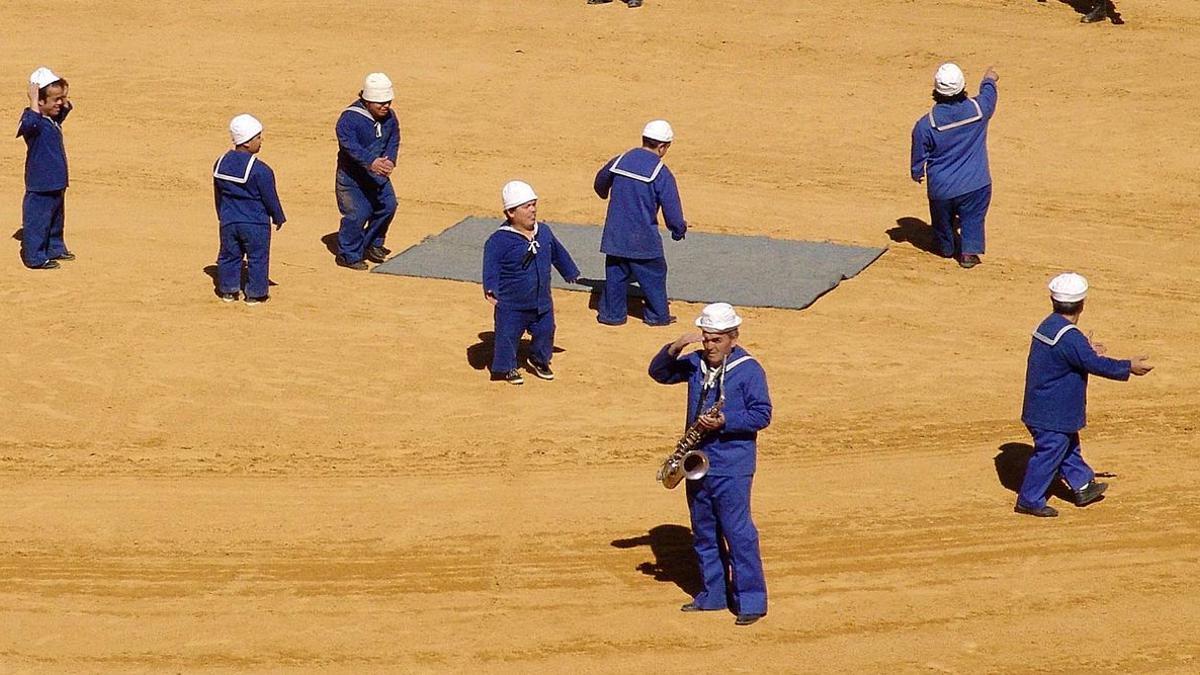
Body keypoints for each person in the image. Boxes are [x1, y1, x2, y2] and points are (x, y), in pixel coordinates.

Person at [648, 303, 771, 626]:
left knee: (737, 531)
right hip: (698, 463)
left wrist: (725, 421)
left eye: (716, 340)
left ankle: (751, 601)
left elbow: (762, 415)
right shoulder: (695, 363)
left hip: (732, 465)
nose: (710, 346)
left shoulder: (749, 370)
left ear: (733, 337)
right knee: (703, 531)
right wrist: (675, 347)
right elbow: (659, 373)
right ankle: (713, 595)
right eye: (706, 339)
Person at [1015, 272, 1153, 517]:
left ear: (1053, 300)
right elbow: (1095, 364)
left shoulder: (1048, 326)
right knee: (1050, 453)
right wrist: (1128, 365)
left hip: (1042, 406)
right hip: (1053, 412)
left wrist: (1084, 348)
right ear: (1082, 304)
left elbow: (1069, 355)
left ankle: (1082, 485)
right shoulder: (1070, 338)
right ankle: (1030, 499)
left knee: (1067, 445)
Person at [482, 181, 581, 385]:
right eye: (527, 206)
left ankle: (539, 359)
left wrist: (569, 271)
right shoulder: (498, 241)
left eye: (534, 204)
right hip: (511, 304)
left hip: (542, 301)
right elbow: (491, 266)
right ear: (511, 212)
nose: (533, 210)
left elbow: (558, 253)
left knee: (546, 330)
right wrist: (491, 288)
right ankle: (507, 367)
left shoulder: (543, 232)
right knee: (507, 337)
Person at [594, 119, 687, 326]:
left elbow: (600, 182)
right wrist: (678, 229)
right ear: (662, 147)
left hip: (615, 237)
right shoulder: (660, 172)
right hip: (644, 241)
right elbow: (672, 210)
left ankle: (612, 315)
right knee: (654, 274)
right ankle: (657, 315)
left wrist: (604, 194)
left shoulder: (620, 160)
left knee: (616, 274)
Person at [910, 63, 998, 269]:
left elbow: (918, 153)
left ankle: (946, 247)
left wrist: (916, 172)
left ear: (936, 91)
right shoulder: (979, 110)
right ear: (963, 87)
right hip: (976, 184)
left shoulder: (926, 124)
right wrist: (989, 79)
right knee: (973, 218)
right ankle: (969, 253)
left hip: (942, 189)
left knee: (942, 219)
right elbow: (989, 96)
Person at [212, 114, 286, 304]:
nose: (261, 141)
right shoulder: (261, 170)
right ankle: (255, 294)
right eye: (258, 137)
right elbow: (270, 198)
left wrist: (222, 216)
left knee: (229, 255)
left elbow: (218, 195)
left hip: (229, 221)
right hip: (255, 223)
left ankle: (228, 290)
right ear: (246, 142)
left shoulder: (220, 163)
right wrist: (278, 216)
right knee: (257, 258)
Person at [335, 72, 400, 270]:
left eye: (388, 101)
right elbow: (348, 144)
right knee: (357, 214)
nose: (386, 106)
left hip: (378, 175)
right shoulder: (349, 119)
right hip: (352, 177)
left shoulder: (390, 117)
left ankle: (373, 243)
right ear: (367, 101)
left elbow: (394, 138)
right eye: (380, 103)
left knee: (388, 206)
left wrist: (390, 160)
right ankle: (348, 255)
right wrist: (370, 161)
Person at [16, 67, 74, 270]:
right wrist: (33, 101)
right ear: (39, 101)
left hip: (56, 180)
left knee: (56, 219)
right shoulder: (34, 121)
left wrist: (61, 96)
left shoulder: (51, 119)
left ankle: (54, 248)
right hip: (40, 183)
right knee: (38, 222)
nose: (60, 103)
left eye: (61, 98)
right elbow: (29, 123)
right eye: (55, 99)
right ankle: (35, 257)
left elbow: (66, 108)